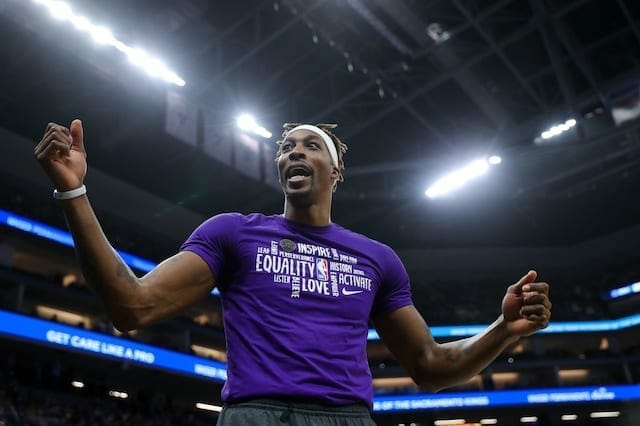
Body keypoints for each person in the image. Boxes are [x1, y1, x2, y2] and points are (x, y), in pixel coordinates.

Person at [35, 119, 552, 425]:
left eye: (310, 146)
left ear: (336, 171)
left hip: (347, 418)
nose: (294, 152)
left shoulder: (378, 259)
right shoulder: (232, 233)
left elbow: (431, 365)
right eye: (286, 148)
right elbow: (133, 306)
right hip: (256, 414)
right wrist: (73, 191)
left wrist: (503, 329)